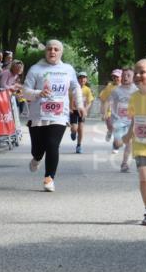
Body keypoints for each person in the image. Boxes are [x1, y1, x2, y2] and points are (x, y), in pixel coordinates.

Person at [20, 40, 83, 192]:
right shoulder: (36, 69)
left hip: (59, 115)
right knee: (38, 149)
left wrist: (79, 104)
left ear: (61, 52)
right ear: (45, 51)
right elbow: (25, 91)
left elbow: (76, 87)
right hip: (38, 115)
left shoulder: (68, 69)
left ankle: (49, 178)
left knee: (52, 144)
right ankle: (36, 158)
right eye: (49, 49)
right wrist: (38, 93)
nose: (52, 52)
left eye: (56, 49)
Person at [123, 58, 146, 225]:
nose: (139, 75)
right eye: (137, 72)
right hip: (141, 145)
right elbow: (134, 119)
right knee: (144, 178)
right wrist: (128, 134)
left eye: (143, 72)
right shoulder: (133, 97)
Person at [109, 67, 137, 170]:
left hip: (131, 121)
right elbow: (111, 104)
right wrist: (110, 117)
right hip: (119, 120)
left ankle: (124, 163)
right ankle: (115, 144)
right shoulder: (116, 91)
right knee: (118, 143)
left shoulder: (136, 90)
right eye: (124, 75)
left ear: (133, 77)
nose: (125, 77)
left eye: (128, 75)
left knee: (129, 142)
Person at [70, 72, 94, 153]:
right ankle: (73, 132)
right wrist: (70, 108)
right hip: (74, 110)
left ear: (86, 79)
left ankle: (79, 145)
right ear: (77, 79)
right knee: (74, 128)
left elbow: (90, 101)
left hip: (82, 111)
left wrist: (86, 109)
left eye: (84, 78)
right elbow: (69, 99)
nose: (82, 79)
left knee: (80, 128)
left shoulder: (87, 89)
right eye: (80, 78)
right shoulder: (73, 88)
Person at [100, 69, 122, 141]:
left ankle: (116, 143)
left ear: (121, 77)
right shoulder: (109, 87)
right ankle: (109, 131)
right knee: (110, 126)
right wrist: (103, 113)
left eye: (117, 77)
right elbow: (103, 99)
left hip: (120, 111)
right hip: (109, 111)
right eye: (114, 77)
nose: (115, 78)